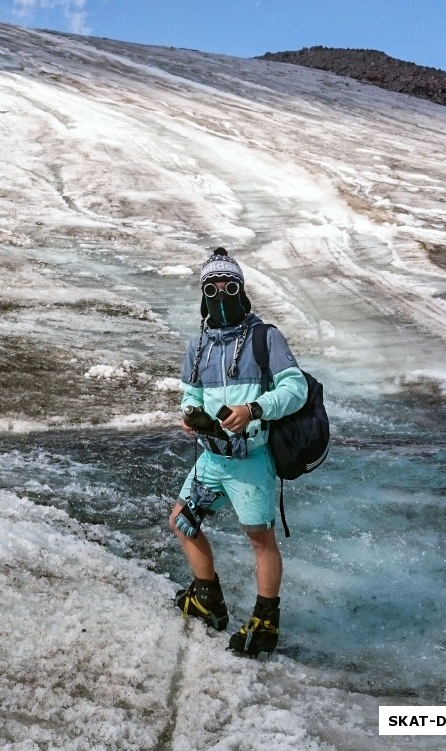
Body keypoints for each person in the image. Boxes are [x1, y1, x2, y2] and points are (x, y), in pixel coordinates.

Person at [170, 247, 308, 656]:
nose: (221, 294)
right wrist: (190, 413)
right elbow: (190, 393)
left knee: (259, 538)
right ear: (202, 295)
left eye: (230, 286)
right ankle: (208, 600)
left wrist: (254, 409)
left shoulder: (265, 338)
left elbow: (294, 388)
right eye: (211, 288)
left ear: (242, 290)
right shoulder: (198, 346)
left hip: (251, 461)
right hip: (211, 458)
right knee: (182, 520)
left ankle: (266, 621)